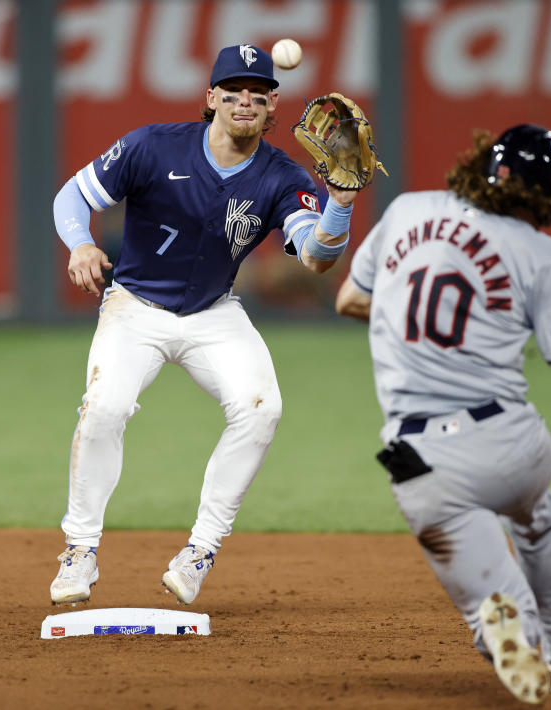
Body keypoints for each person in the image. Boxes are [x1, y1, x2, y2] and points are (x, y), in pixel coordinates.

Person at [48, 44, 363, 606]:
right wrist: (79, 243)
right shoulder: (152, 145)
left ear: (272, 107)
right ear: (211, 98)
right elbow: (73, 194)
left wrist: (339, 203)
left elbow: (316, 258)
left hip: (214, 313)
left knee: (262, 408)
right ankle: (79, 551)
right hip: (135, 307)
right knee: (105, 407)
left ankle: (200, 551)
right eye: (234, 90)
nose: (247, 100)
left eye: (259, 93)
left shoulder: (282, 177)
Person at [336, 124, 551, 704]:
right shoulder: (539, 253)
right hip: (509, 446)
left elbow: (349, 299)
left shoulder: (405, 210)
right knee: (537, 514)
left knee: (486, 592)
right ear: (543, 196)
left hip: (420, 466)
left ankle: (505, 627)